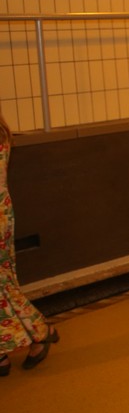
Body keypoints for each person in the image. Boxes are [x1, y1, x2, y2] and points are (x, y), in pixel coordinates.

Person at [0, 111, 60, 374]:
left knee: (3, 284)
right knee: (4, 282)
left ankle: (41, 330)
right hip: (2, 214)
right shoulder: (2, 131)